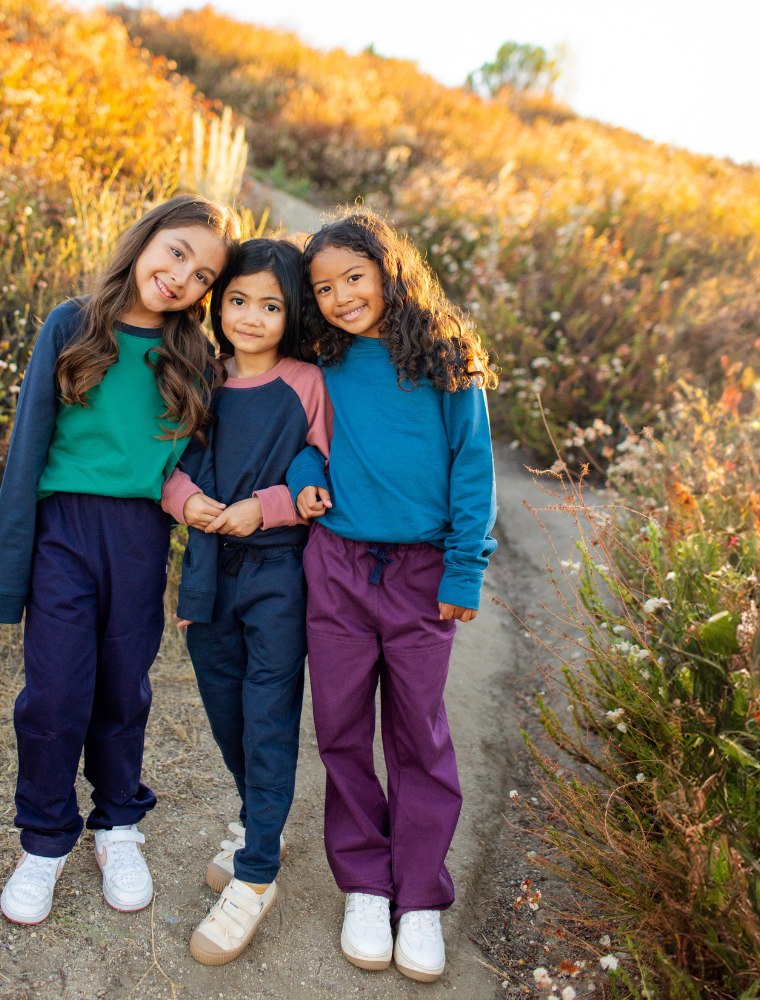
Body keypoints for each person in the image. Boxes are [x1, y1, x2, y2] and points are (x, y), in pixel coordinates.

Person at [0, 194, 239, 924]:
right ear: (148, 240)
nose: (183, 276)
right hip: (63, 530)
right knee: (56, 692)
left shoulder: (195, 359)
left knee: (124, 689)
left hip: (139, 536)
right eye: (178, 251)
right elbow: (28, 450)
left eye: (203, 275)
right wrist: (10, 581)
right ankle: (43, 841)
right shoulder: (72, 324)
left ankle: (118, 825)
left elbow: (193, 469)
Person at [286, 211, 498, 982]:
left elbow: (473, 469)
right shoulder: (321, 358)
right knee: (341, 726)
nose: (342, 296)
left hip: (420, 572)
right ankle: (365, 887)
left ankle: (418, 897)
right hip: (336, 563)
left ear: (389, 269)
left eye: (355, 277)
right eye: (325, 287)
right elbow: (303, 441)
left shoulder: (446, 357)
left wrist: (465, 568)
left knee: (419, 734)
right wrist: (306, 480)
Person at [160, 238, 331, 966]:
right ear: (218, 303)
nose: (252, 316)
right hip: (207, 571)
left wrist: (269, 506)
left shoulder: (305, 382)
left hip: (276, 576)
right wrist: (190, 503)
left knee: (267, 717)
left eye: (270, 305)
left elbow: (317, 463)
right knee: (225, 710)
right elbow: (172, 466)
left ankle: (257, 870)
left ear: (290, 313)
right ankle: (259, 816)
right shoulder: (205, 377)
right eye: (238, 301)